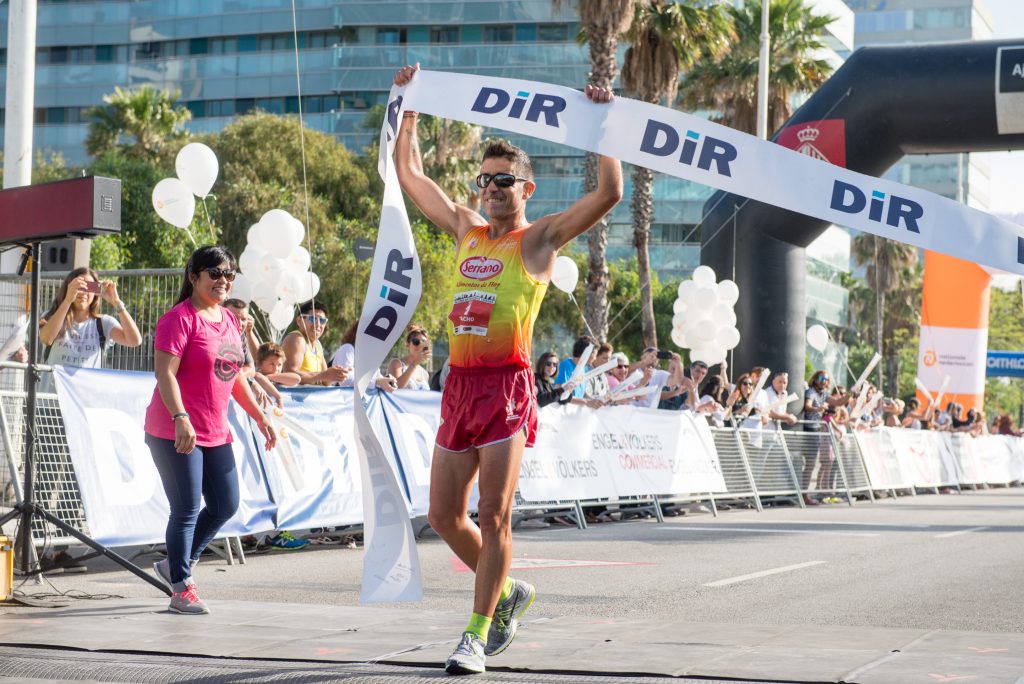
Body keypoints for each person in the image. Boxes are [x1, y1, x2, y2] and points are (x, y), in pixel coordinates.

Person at [394, 62, 622, 675]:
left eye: (505, 180)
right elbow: (412, 175)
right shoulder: (468, 228)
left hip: (505, 386)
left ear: (527, 189)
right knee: (443, 516)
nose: (492, 188)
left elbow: (608, 195)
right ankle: (508, 591)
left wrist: (603, 124)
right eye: (486, 180)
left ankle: (474, 632)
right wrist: (409, 106)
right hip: (458, 387)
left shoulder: (540, 239)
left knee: (494, 513)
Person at [144, 246, 276, 614]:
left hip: (215, 431)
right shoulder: (178, 318)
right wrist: (180, 416)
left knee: (225, 504)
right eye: (215, 273)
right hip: (174, 429)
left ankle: (175, 564)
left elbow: (232, 378)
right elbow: (164, 373)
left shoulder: (229, 321)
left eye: (230, 274)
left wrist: (259, 416)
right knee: (186, 508)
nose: (224, 281)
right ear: (194, 276)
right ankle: (181, 587)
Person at [39, 267, 143, 391]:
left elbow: (134, 340)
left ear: (95, 293)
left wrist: (116, 302)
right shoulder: (52, 316)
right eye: (78, 287)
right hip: (51, 402)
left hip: (85, 402)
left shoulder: (104, 323)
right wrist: (68, 299)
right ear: (68, 288)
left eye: (89, 287)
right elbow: (46, 339)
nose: (83, 293)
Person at [223, 298, 283, 409]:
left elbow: (251, 368)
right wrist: (250, 382)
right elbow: (222, 373)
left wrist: (247, 379)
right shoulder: (214, 337)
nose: (239, 323)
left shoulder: (241, 336)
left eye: (243, 319)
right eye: (233, 318)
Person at [281, 300, 349, 386]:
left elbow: (326, 381)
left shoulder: (317, 344)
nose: (318, 324)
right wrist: (324, 375)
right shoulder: (296, 339)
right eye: (313, 318)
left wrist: (337, 374)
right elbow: (290, 375)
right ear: (299, 321)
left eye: (322, 320)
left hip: (314, 397)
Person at [388, 325, 433, 390]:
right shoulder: (396, 363)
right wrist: (414, 364)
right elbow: (396, 388)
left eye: (424, 342)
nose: (420, 345)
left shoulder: (425, 373)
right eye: (416, 342)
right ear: (407, 345)